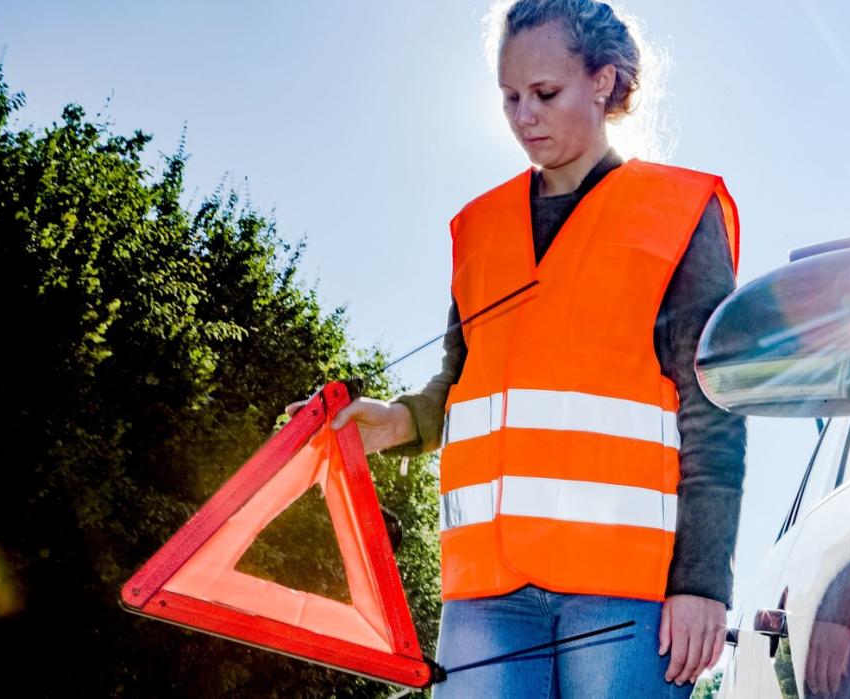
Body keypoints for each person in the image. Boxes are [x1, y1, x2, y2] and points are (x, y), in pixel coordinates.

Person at [288, 1, 745, 695]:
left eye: (544, 93)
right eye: (509, 97)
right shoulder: (480, 229)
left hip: (627, 588)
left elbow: (715, 409)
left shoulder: (679, 211)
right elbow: (465, 379)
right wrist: (402, 420)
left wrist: (703, 582)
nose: (524, 116)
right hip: (487, 591)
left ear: (602, 82)